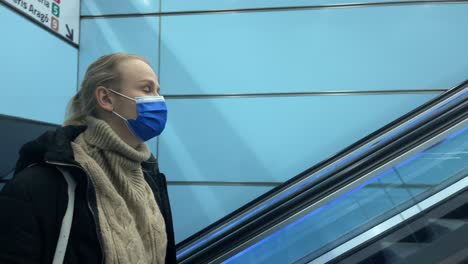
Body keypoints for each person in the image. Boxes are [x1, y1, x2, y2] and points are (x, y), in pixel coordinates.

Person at [0, 53, 176, 264]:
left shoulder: (150, 180)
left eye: (158, 91)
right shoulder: (40, 185)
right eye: (146, 89)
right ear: (105, 98)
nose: (158, 100)